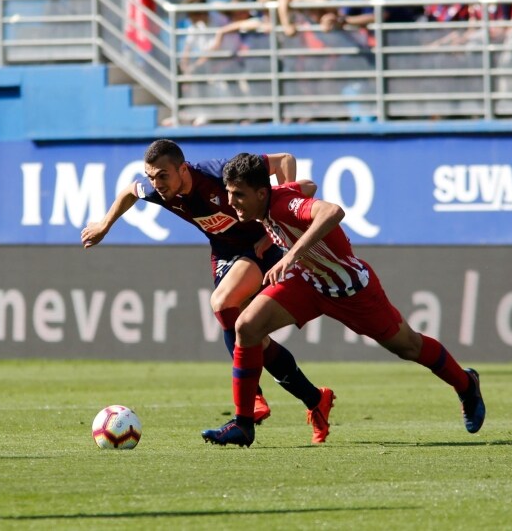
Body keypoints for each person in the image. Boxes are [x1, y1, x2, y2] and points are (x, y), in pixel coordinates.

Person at [201, 153, 485, 447]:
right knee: (247, 326)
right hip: (308, 282)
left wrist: (292, 254)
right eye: (229, 193)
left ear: (262, 193)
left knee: (409, 346)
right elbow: (307, 185)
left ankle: (466, 384)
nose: (231, 202)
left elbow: (333, 211)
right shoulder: (272, 203)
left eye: (238, 194)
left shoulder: (283, 205)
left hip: (350, 289)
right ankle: (243, 424)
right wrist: (273, 236)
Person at [81, 140, 336, 444]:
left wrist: (277, 221)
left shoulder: (218, 174)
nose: (156, 184)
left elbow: (284, 160)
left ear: (183, 169)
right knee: (251, 336)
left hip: (258, 248)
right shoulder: (157, 190)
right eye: (151, 177)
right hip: (226, 255)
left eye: (162, 175)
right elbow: (128, 191)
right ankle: (314, 399)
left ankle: (252, 400)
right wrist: (104, 225)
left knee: (223, 303)